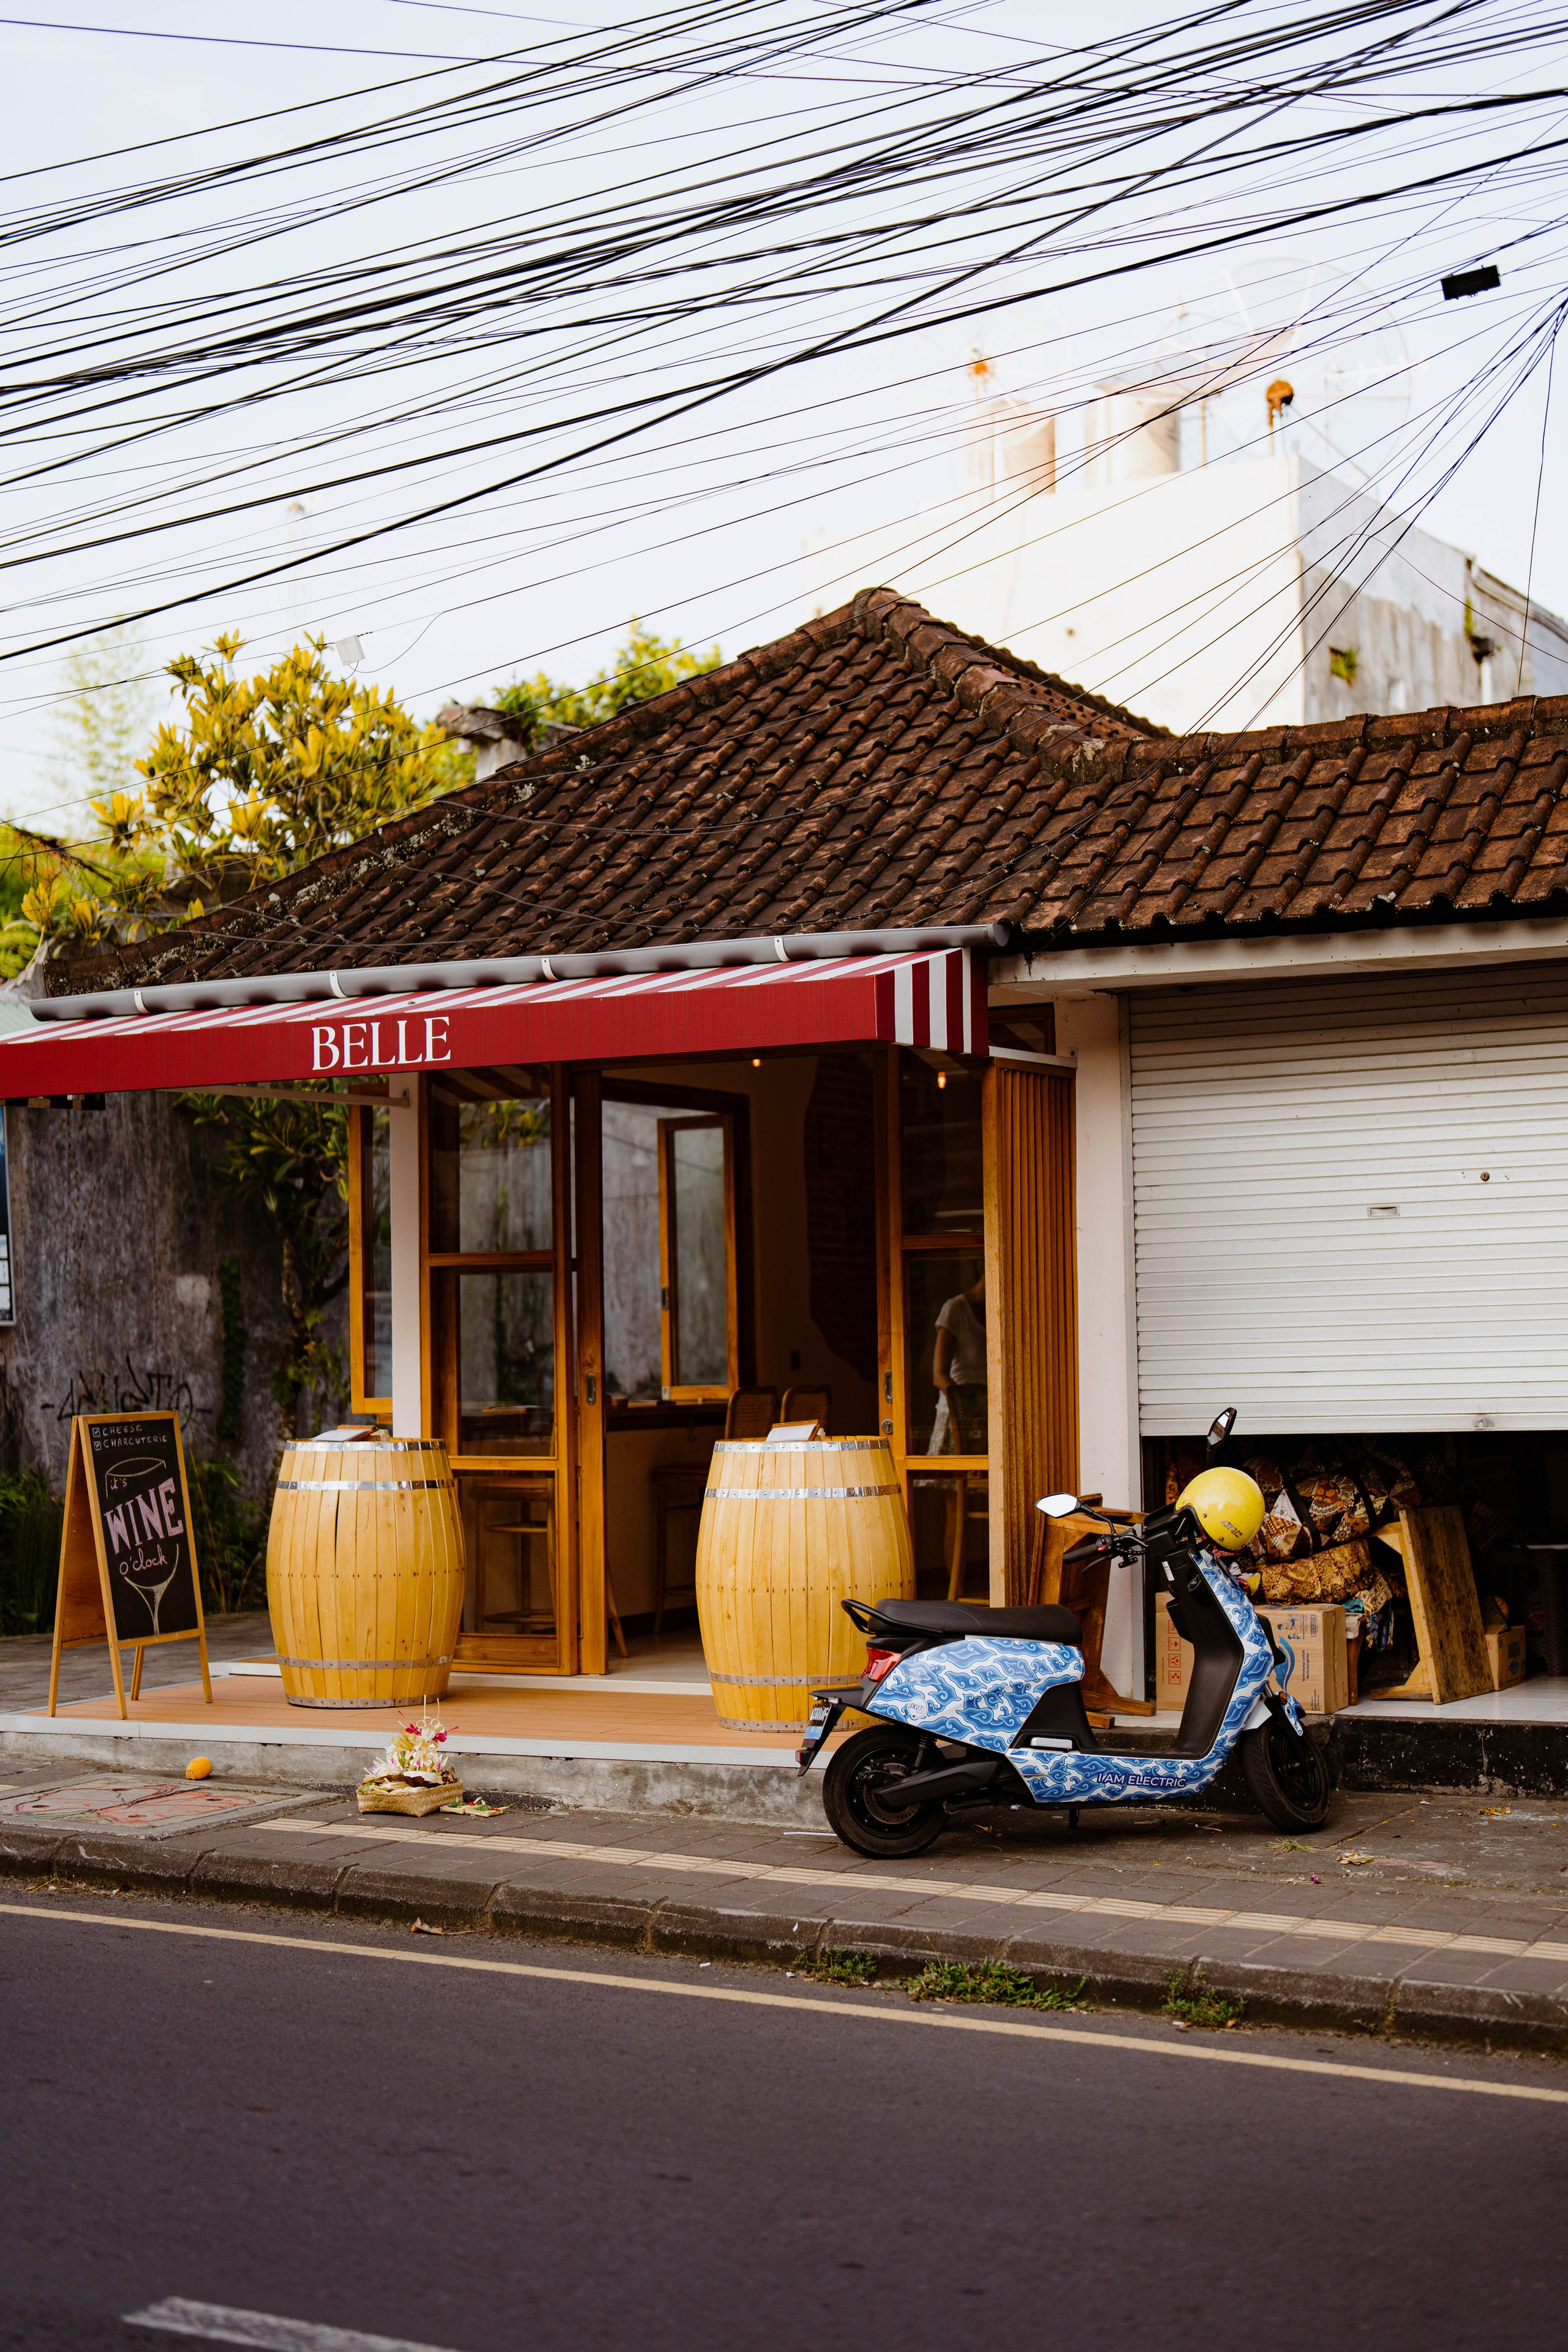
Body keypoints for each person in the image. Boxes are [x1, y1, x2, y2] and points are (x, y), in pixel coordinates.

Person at [929, 1269, 987, 1454]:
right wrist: (963, 1410)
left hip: (990, 1414)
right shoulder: (955, 1309)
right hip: (959, 1414)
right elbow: (939, 1375)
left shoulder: (1005, 1311)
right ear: (982, 1268)